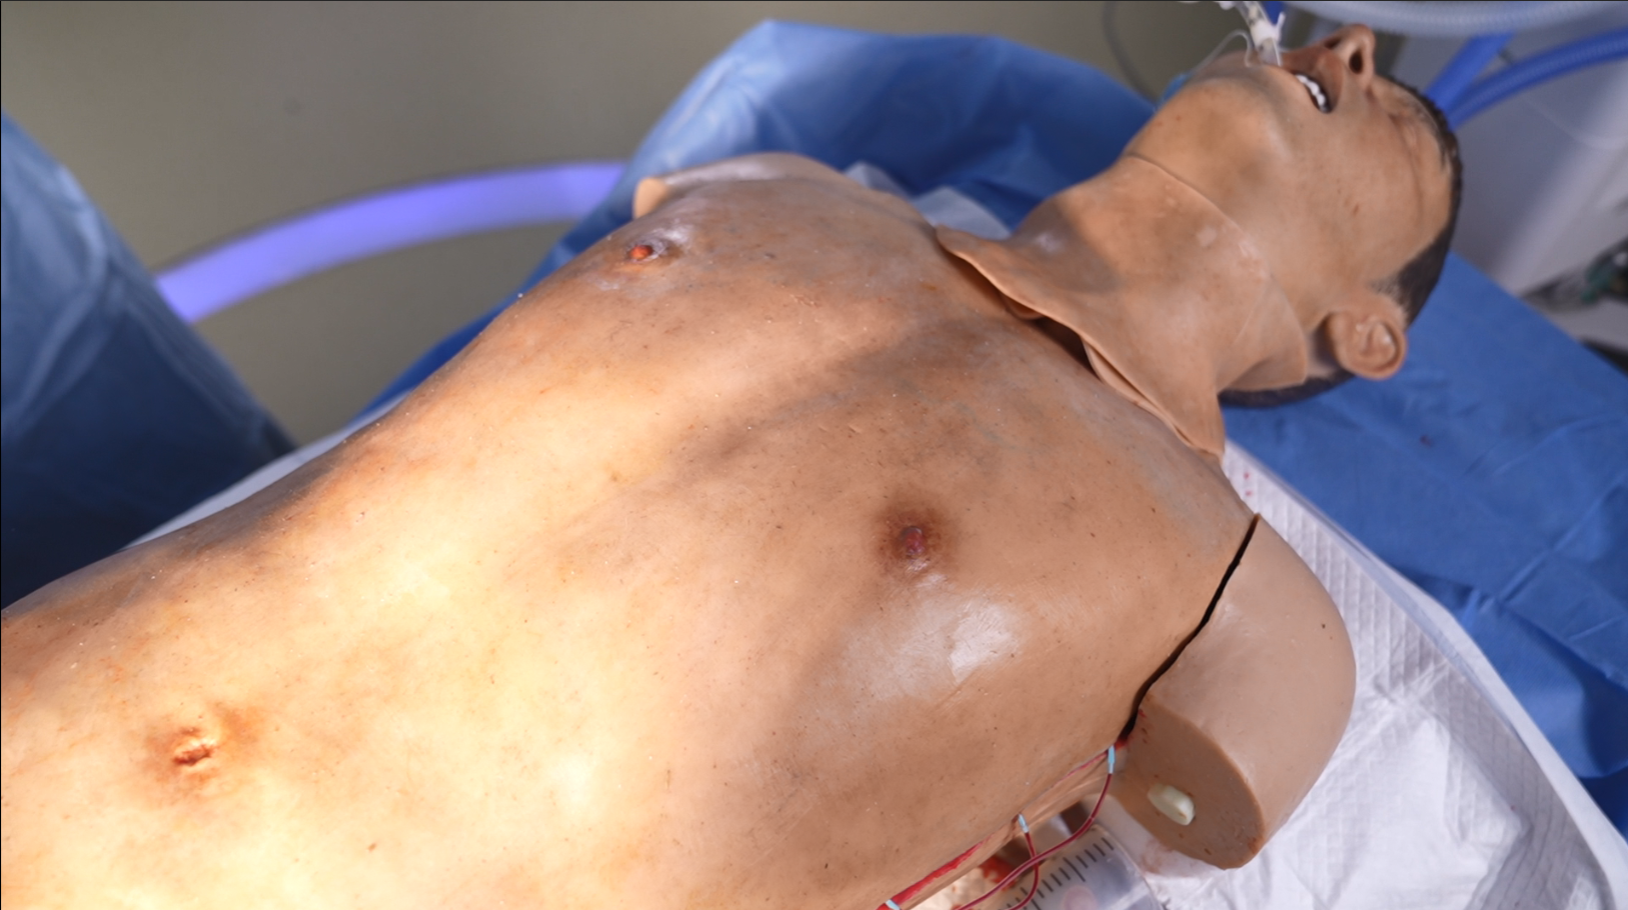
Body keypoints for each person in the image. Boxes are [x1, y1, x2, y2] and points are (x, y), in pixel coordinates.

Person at [1, 25, 1459, 909]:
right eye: (1350, 51)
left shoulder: (1251, 622)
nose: (1349, 48)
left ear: (1367, 333)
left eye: (1399, 115)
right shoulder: (777, 195)